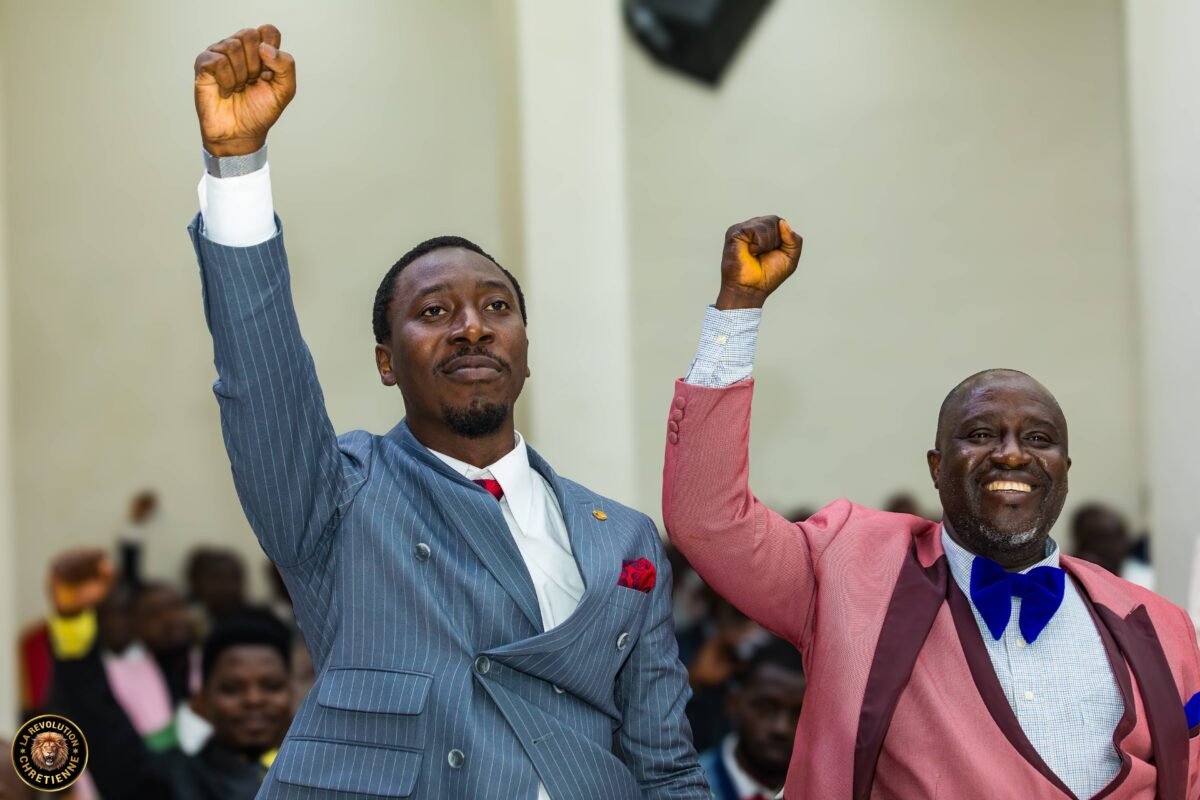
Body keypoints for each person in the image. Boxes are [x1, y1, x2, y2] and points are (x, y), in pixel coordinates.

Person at [185, 25, 703, 800]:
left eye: (496, 307)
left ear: (525, 349)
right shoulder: (339, 496)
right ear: (386, 362)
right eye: (434, 311)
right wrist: (237, 170)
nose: (471, 327)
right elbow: (265, 384)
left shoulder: (622, 538)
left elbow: (665, 764)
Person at [663, 216, 1200, 798]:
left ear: (1064, 470)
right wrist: (737, 309)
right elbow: (709, 520)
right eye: (982, 434)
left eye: (1039, 439)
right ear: (937, 468)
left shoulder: (1159, 623)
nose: (1011, 454)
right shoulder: (847, 571)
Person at [45, 551, 293, 800]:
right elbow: (102, 723)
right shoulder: (175, 780)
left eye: (272, 686)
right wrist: (72, 620)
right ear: (202, 702)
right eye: (231, 688)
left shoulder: (314, 770)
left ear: (294, 693)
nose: (254, 699)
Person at [697, 638, 805, 800]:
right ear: (733, 703)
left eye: (800, 714)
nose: (781, 728)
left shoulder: (832, 791)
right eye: (765, 708)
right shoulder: (681, 787)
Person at [1072, 502, 1155, 590]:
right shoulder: (1071, 579)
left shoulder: (1139, 577)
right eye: (1107, 538)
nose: (1124, 544)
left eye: (1121, 536)